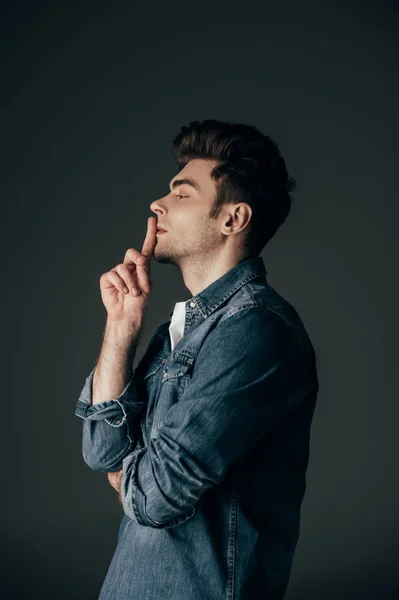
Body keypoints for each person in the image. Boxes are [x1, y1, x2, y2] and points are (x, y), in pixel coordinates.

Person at [75, 119, 319, 600]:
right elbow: (101, 450)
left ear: (233, 219)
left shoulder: (257, 328)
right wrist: (122, 328)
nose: (157, 204)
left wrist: (131, 474)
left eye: (181, 194)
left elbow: (154, 496)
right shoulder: (179, 329)